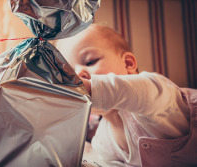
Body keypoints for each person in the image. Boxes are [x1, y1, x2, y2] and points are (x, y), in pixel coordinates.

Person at [56, 23, 197, 167]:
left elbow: (137, 91)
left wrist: (89, 88)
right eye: (70, 74)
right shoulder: (102, 142)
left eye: (90, 61)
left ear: (128, 64)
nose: (78, 75)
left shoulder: (154, 92)